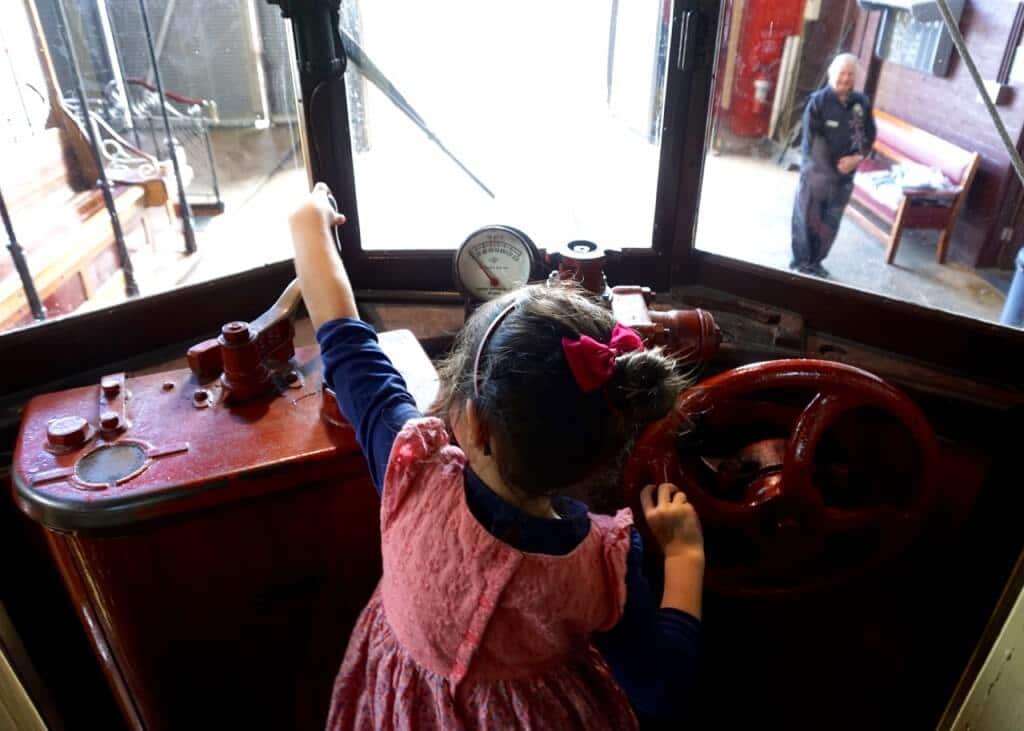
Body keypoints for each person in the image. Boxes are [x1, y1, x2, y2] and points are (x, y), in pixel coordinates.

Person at [289, 183, 705, 730]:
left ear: (477, 425)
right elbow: (660, 687)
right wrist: (684, 557)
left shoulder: (409, 463)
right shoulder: (607, 564)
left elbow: (344, 336)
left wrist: (310, 221)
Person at [791, 52, 876, 278]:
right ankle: (801, 261)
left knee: (830, 223)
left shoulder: (861, 103)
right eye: (841, 73)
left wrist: (857, 159)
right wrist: (833, 171)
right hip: (817, 175)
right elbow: (813, 143)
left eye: (851, 74)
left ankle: (816, 262)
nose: (846, 78)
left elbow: (869, 135)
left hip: (844, 178)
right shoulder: (818, 102)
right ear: (831, 74)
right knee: (807, 218)